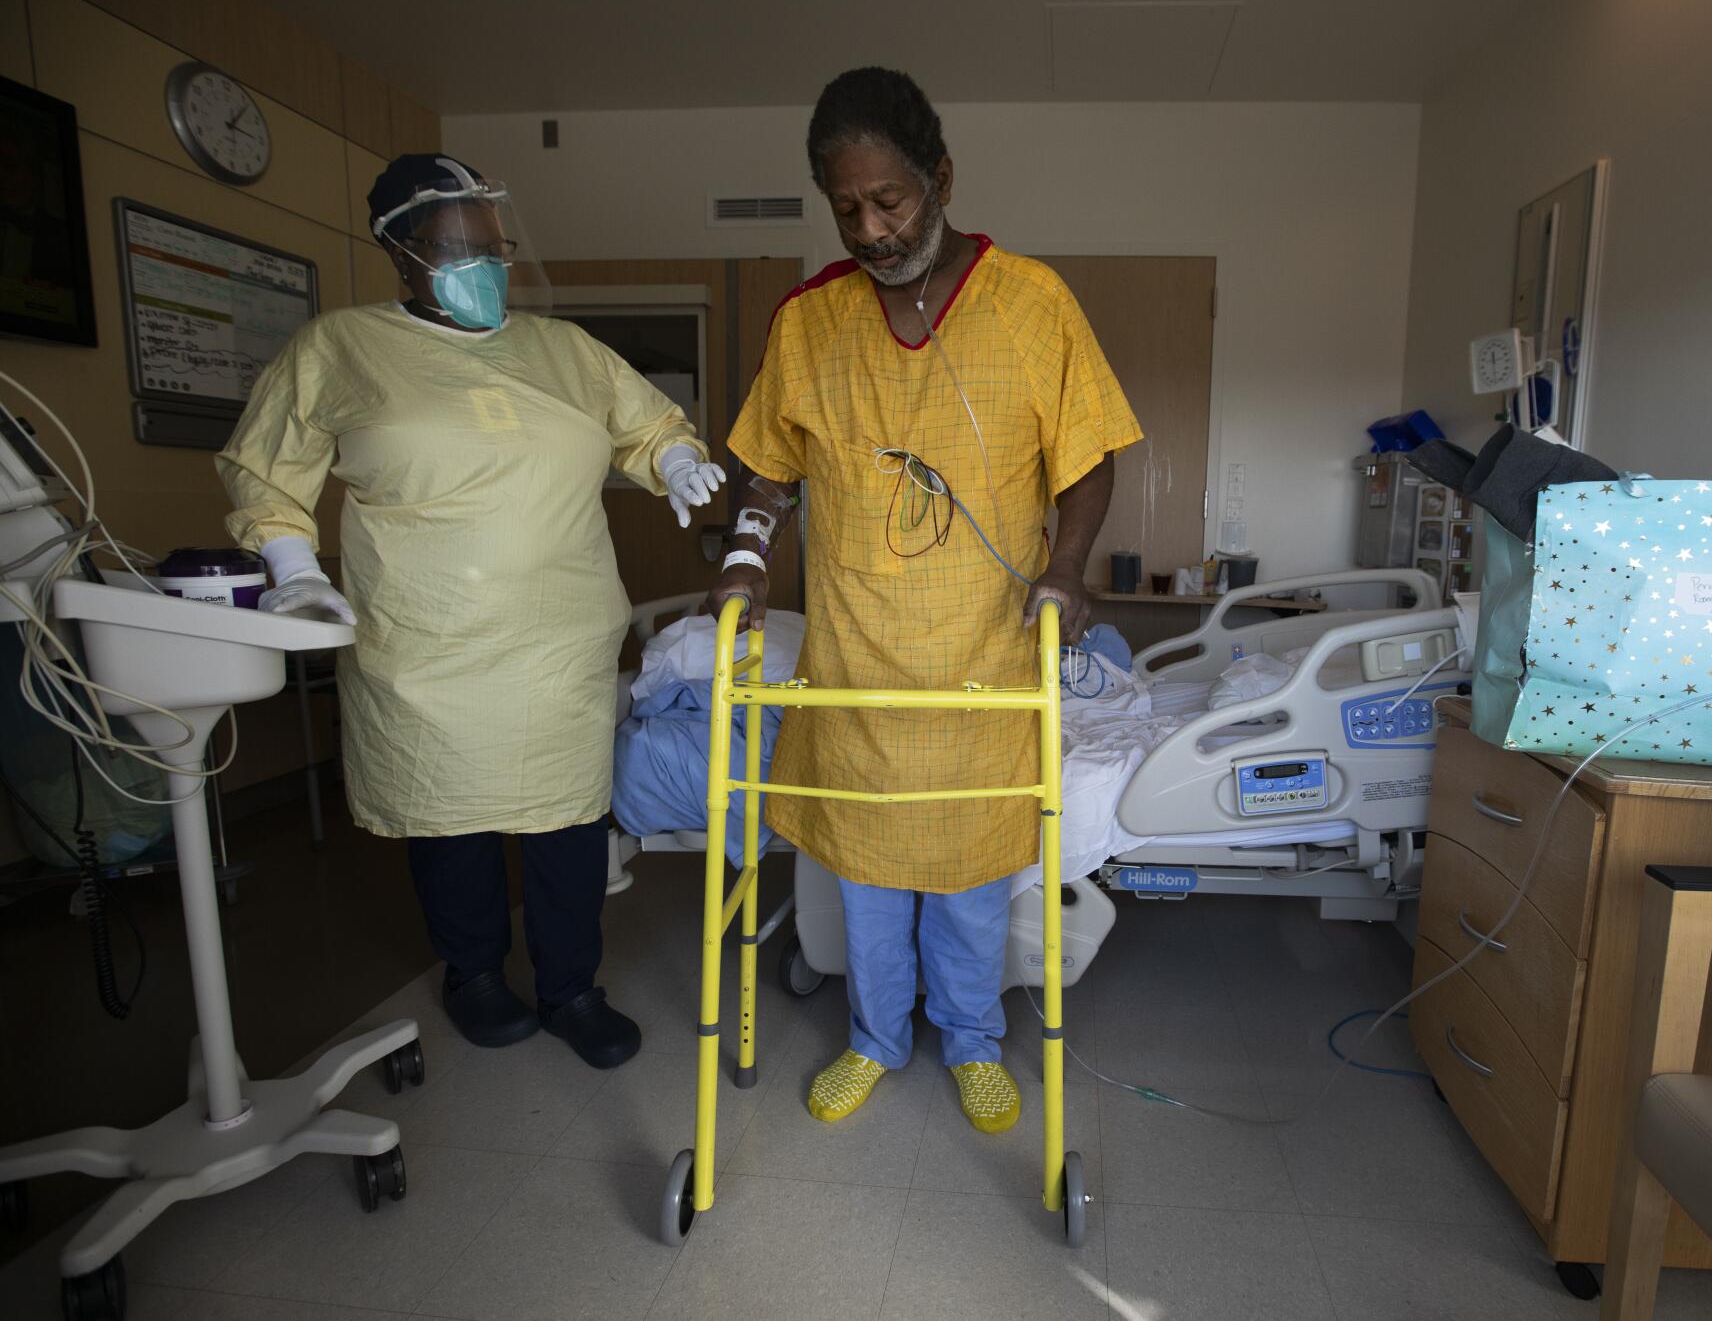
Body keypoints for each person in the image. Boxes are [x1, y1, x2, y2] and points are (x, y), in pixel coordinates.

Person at [217, 154, 726, 1069]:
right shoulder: (339, 347)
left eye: (493, 247)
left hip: (560, 639)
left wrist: (676, 463)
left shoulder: (563, 349)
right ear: (400, 252)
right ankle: (475, 976)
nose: (483, 265)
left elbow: (647, 423)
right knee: (450, 819)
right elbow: (264, 469)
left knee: (568, 824)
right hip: (427, 643)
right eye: (458, 250)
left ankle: (572, 987)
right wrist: (291, 563)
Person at [709, 69, 1141, 1133]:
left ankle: (972, 1041)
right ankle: (872, 1038)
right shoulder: (810, 324)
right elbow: (769, 469)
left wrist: (1069, 566)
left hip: (982, 660)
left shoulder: (1031, 304)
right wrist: (750, 556)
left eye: (889, 199)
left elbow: (1087, 461)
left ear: (940, 177)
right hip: (856, 660)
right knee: (864, 876)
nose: (869, 227)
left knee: (965, 878)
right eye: (844, 205)